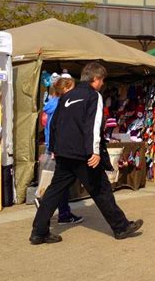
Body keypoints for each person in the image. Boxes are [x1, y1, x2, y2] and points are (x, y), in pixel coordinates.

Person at [29, 62, 143, 245]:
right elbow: (93, 125)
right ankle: (121, 227)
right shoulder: (93, 96)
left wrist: (55, 148)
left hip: (64, 152)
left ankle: (38, 232)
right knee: (101, 189)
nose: (102, 84)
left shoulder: (67, 96)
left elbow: (55, 123)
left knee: (54, 191)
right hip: (83, 153)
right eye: (102, 81)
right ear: (96, 79)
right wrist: (94, 152)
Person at [39, 76, 84, 225]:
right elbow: (54, 128)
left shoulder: (52, 104)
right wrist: (53, 148)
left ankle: (61, 211)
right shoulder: (60, 105)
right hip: (57, 149)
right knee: (59, 185)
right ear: (64, 89)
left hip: (54, 147)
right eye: (72, 88)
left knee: (58, 183)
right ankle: (60, 211)